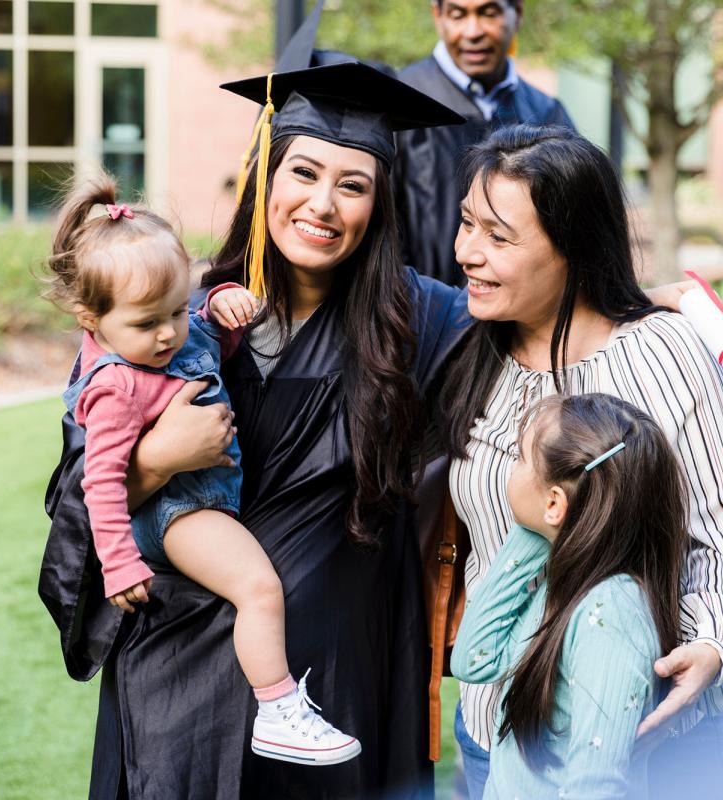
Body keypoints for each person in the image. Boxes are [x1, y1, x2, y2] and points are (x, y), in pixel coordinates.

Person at [39, 61, 471, 798]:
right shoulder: (176, 314)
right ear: (266, 176)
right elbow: (76, 504)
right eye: (303, 172)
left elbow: (548, 350)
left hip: (333, 678)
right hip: (179, 683)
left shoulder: (421, 322)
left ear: (379, 205)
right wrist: (156, 459)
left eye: (353, 185)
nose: (322, 204)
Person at [439, 123, 723, 799]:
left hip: (639, 736)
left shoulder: (661, 353)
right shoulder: (470, 355)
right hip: (496, 735)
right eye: (467, 224)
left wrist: (711, 640)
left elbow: (715, 529)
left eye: (498, 236)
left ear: (573, 246)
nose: (468, 252)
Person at [42, 175, 362, 766]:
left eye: (175, 311)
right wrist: (119, 563)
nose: (168, 333)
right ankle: (279, 710)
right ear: (92, 319)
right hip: (176, 512)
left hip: (197, 503)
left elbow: (208, 337)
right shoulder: (114, 387)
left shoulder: (167, 334)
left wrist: (218, 306)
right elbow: (100, 485)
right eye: (147, 323)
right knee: (259, 588)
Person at [452, 392, 687, 798]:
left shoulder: (610, 617)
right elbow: (474, 659)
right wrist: (538, 531)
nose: (511, 466)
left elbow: (596, 787)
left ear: (555, 502)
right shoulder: (566, 581)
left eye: (520, 458)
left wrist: (547, 520)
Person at [394, 0, 573, 286]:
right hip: (419, 307)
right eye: (457, 15)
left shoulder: (546, 114)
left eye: (489, 13)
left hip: (520, 310)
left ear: (517, 14)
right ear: (438, 16)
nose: (473, 31)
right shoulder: (399, 103)